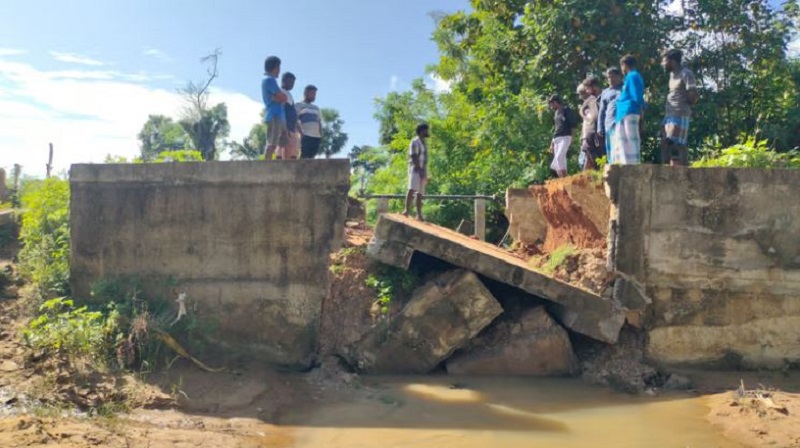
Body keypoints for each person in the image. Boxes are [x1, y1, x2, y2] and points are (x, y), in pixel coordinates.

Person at [660, 49, 698, 166]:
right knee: (665, 143)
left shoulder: (685, 73)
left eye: (665, 61)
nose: (663, 63)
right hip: (669, 114)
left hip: (680, 113)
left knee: (675, 143)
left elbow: (693, 94)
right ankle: (666, 170)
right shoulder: (672, 75)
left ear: (672, 61)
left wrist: (686, 107)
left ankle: (684, 171)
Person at [610, 55, 646, 165]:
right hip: (624, 113)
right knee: (623, 141)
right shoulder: (631, 77)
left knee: (630, 140)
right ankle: (624, 164)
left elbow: (637, 96)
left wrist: (642, 112)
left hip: (629, 111)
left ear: (624, 65)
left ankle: (632, 165)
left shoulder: (633, 76)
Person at [261, 56, 288, 160]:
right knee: (272, 143)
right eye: (279, 67)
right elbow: (282, 97)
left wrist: (279, 97)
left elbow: (281, 98)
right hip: (274, 115)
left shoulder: (270, 80)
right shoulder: (269, 80)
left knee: (278, 143)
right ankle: (266, 166)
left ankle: (269, 163)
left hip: (278, 116)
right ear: (275, 67)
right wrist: (279, 97)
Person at [403, 123, 430, 221]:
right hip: (415, 169)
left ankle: (419, 214)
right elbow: (414, 157)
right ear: (421, 131)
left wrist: (425, 172)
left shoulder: (423, 143)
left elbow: (424, 158)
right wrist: (419, 170)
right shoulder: (415, 141)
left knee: (420, 193)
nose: (427, 132)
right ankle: (406, 210)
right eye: (426, 130)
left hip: (423, 169)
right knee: (412, 189)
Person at [597, 68, 623, 164]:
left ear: (619, 76)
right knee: (611, 149)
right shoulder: (605, 92)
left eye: (613, 76)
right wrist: (599, 127)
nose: (611, 79)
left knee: (622, 148)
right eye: (609, 77)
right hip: (609, 124)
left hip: (623, 124)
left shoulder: (625, 89)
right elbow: (602, 111)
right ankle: (613, 169)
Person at [548, 94, 577, 178]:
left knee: (559, 157)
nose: (551, 106)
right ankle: (563, 180)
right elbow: (556, 128)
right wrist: (552, 143)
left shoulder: (566, 110)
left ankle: (564, 177)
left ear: (555, 102)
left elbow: (573, 125)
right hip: (557, 138)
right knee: (560, 160)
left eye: (551, 104)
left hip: (566, 136)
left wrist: (573, 137)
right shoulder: (556, 113)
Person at [579, 77, 601, 170]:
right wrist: (588, 119)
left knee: (599, 154)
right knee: (588, 150)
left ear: (594, 87)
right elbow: (581, 110)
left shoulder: (604, 95)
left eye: (587, 88)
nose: (587, 92)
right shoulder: (590, 99)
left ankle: (598, 173)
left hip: (600, 131)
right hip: (590, 131)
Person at [277, 72, 300, 160]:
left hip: (291, 128)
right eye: (291, 82)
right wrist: (284, 129)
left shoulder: (288, 94)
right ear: (284, 80)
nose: (292, 85)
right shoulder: (281, 92)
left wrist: (298, 129)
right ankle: (284, 172)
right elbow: (280, 110)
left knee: (291, 152)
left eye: (293, 83)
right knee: (286, 151)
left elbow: (292, 113)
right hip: (285, 127)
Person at [296, 85, 323, 159]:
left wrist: (321, 135)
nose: (314, 96)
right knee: (304, 157)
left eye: (315, 94)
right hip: (306, 135)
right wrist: (301, 133)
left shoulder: (316, 108)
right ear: (306, 93)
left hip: (316, 136)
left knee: (312, 158)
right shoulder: (299, 105)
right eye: (312, 94)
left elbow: (319, 122)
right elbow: (295, 120)